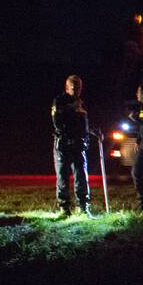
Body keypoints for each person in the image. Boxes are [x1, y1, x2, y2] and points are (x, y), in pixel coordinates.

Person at [51, 74, 92, 217]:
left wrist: (90, 133)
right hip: (63, 144)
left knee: (81, 176)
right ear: (67, 87)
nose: (77, 91)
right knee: (63, 176)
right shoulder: (59, 101)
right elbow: (56, 121)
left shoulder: (82, 102)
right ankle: (64, 208)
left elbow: (84, 122)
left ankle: (83, 207)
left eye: (79, 88)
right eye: (74, 88)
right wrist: (71, 108)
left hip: (79, 144)